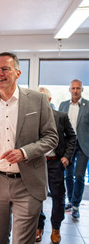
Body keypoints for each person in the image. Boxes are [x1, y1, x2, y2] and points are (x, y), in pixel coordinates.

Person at [0, 52, 59, 244]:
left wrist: (24, 152)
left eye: (5, 69)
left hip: (28, 183)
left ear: (18, 73)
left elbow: (52, 137)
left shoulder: (38, 100)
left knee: (22, 241)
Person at [36, 87, 76, 244]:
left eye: (42, 99)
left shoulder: (61, 117)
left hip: (55, 163)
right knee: (37, 196)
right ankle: (39, 226)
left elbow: (72, 137)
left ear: (49, 100)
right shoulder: (32, 118)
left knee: (58, 197)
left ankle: (56, 228)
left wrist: (66, 156)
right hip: (37, 163)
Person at [59, 79, 89, 219]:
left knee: (79, 176)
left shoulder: (87, 105)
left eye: (78, 88)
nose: (76, 90)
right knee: (68, 175)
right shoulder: (63, 105)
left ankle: (76, 204)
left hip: (83, 145)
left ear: (82, 90)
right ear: (69, 89)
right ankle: (70, 201)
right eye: (73, 88)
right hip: (68, 144)